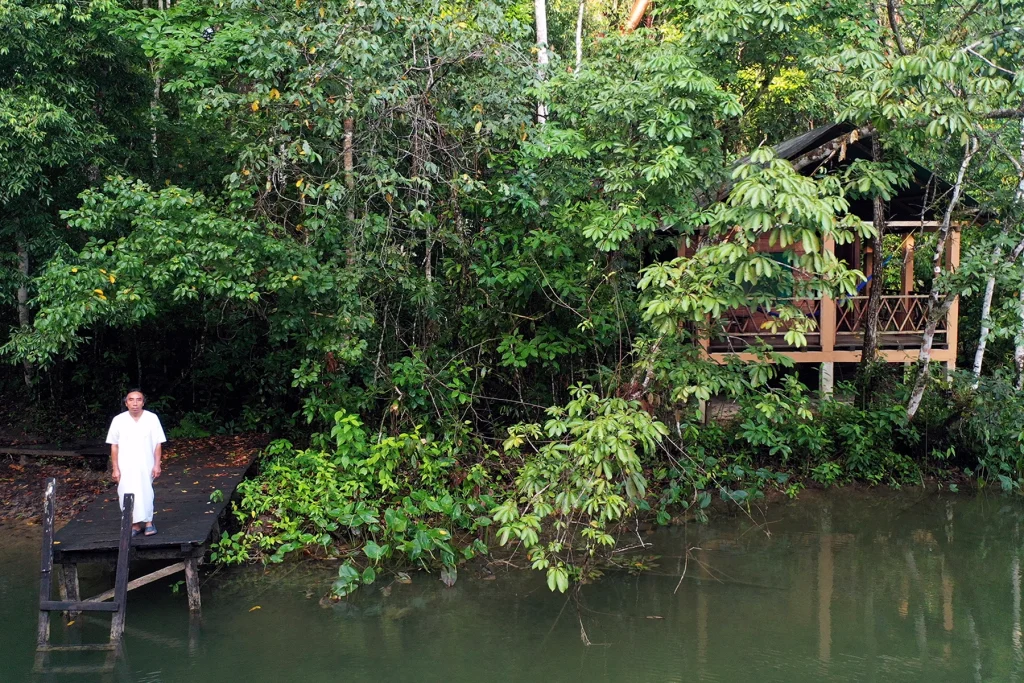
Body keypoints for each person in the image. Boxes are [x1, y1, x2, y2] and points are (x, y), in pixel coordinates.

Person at [106, 390, 166, 537]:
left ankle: (149, 523)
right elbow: (114, 445)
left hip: (146, 463)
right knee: (126, 492)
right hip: (125, 465)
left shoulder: (152, 418)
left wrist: (157, 464)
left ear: (143, 402)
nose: (135, 403)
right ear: (126, 403)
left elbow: (158, 443)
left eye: (138, 400)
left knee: (146, 491)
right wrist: (115, 468)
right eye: (131, 400)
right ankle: (133, 524)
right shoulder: (118, 420)